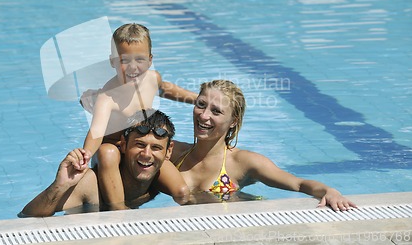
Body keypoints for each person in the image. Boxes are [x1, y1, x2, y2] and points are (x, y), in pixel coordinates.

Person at [170, 79, 357, 211]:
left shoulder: (243, 162)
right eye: (201, 104)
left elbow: (298, 184)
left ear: (233, 121)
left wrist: (330, 191)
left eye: (216, 111)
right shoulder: (174, 152)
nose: (203, 116)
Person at [77, 23, 196, 209]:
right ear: (113, 62)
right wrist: (85, 155)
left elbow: (166, 89)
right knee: (107, 153)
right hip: (116, 150)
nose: (133, 67)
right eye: (124, 60)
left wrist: (197, 99)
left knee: (182, 192)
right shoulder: (107, 97)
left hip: (140, 148)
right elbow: (97, 131)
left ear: (150, 60)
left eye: (140, 59)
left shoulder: (152, 79)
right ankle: (119, 208)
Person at [19, 109, 177, 217]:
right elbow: (28, 215)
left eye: (156, 147)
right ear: (123, 145)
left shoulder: (161, 182)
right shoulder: (92, 185)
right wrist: (59, 186)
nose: (146, 155)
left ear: (168, 151)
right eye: (139, 145)